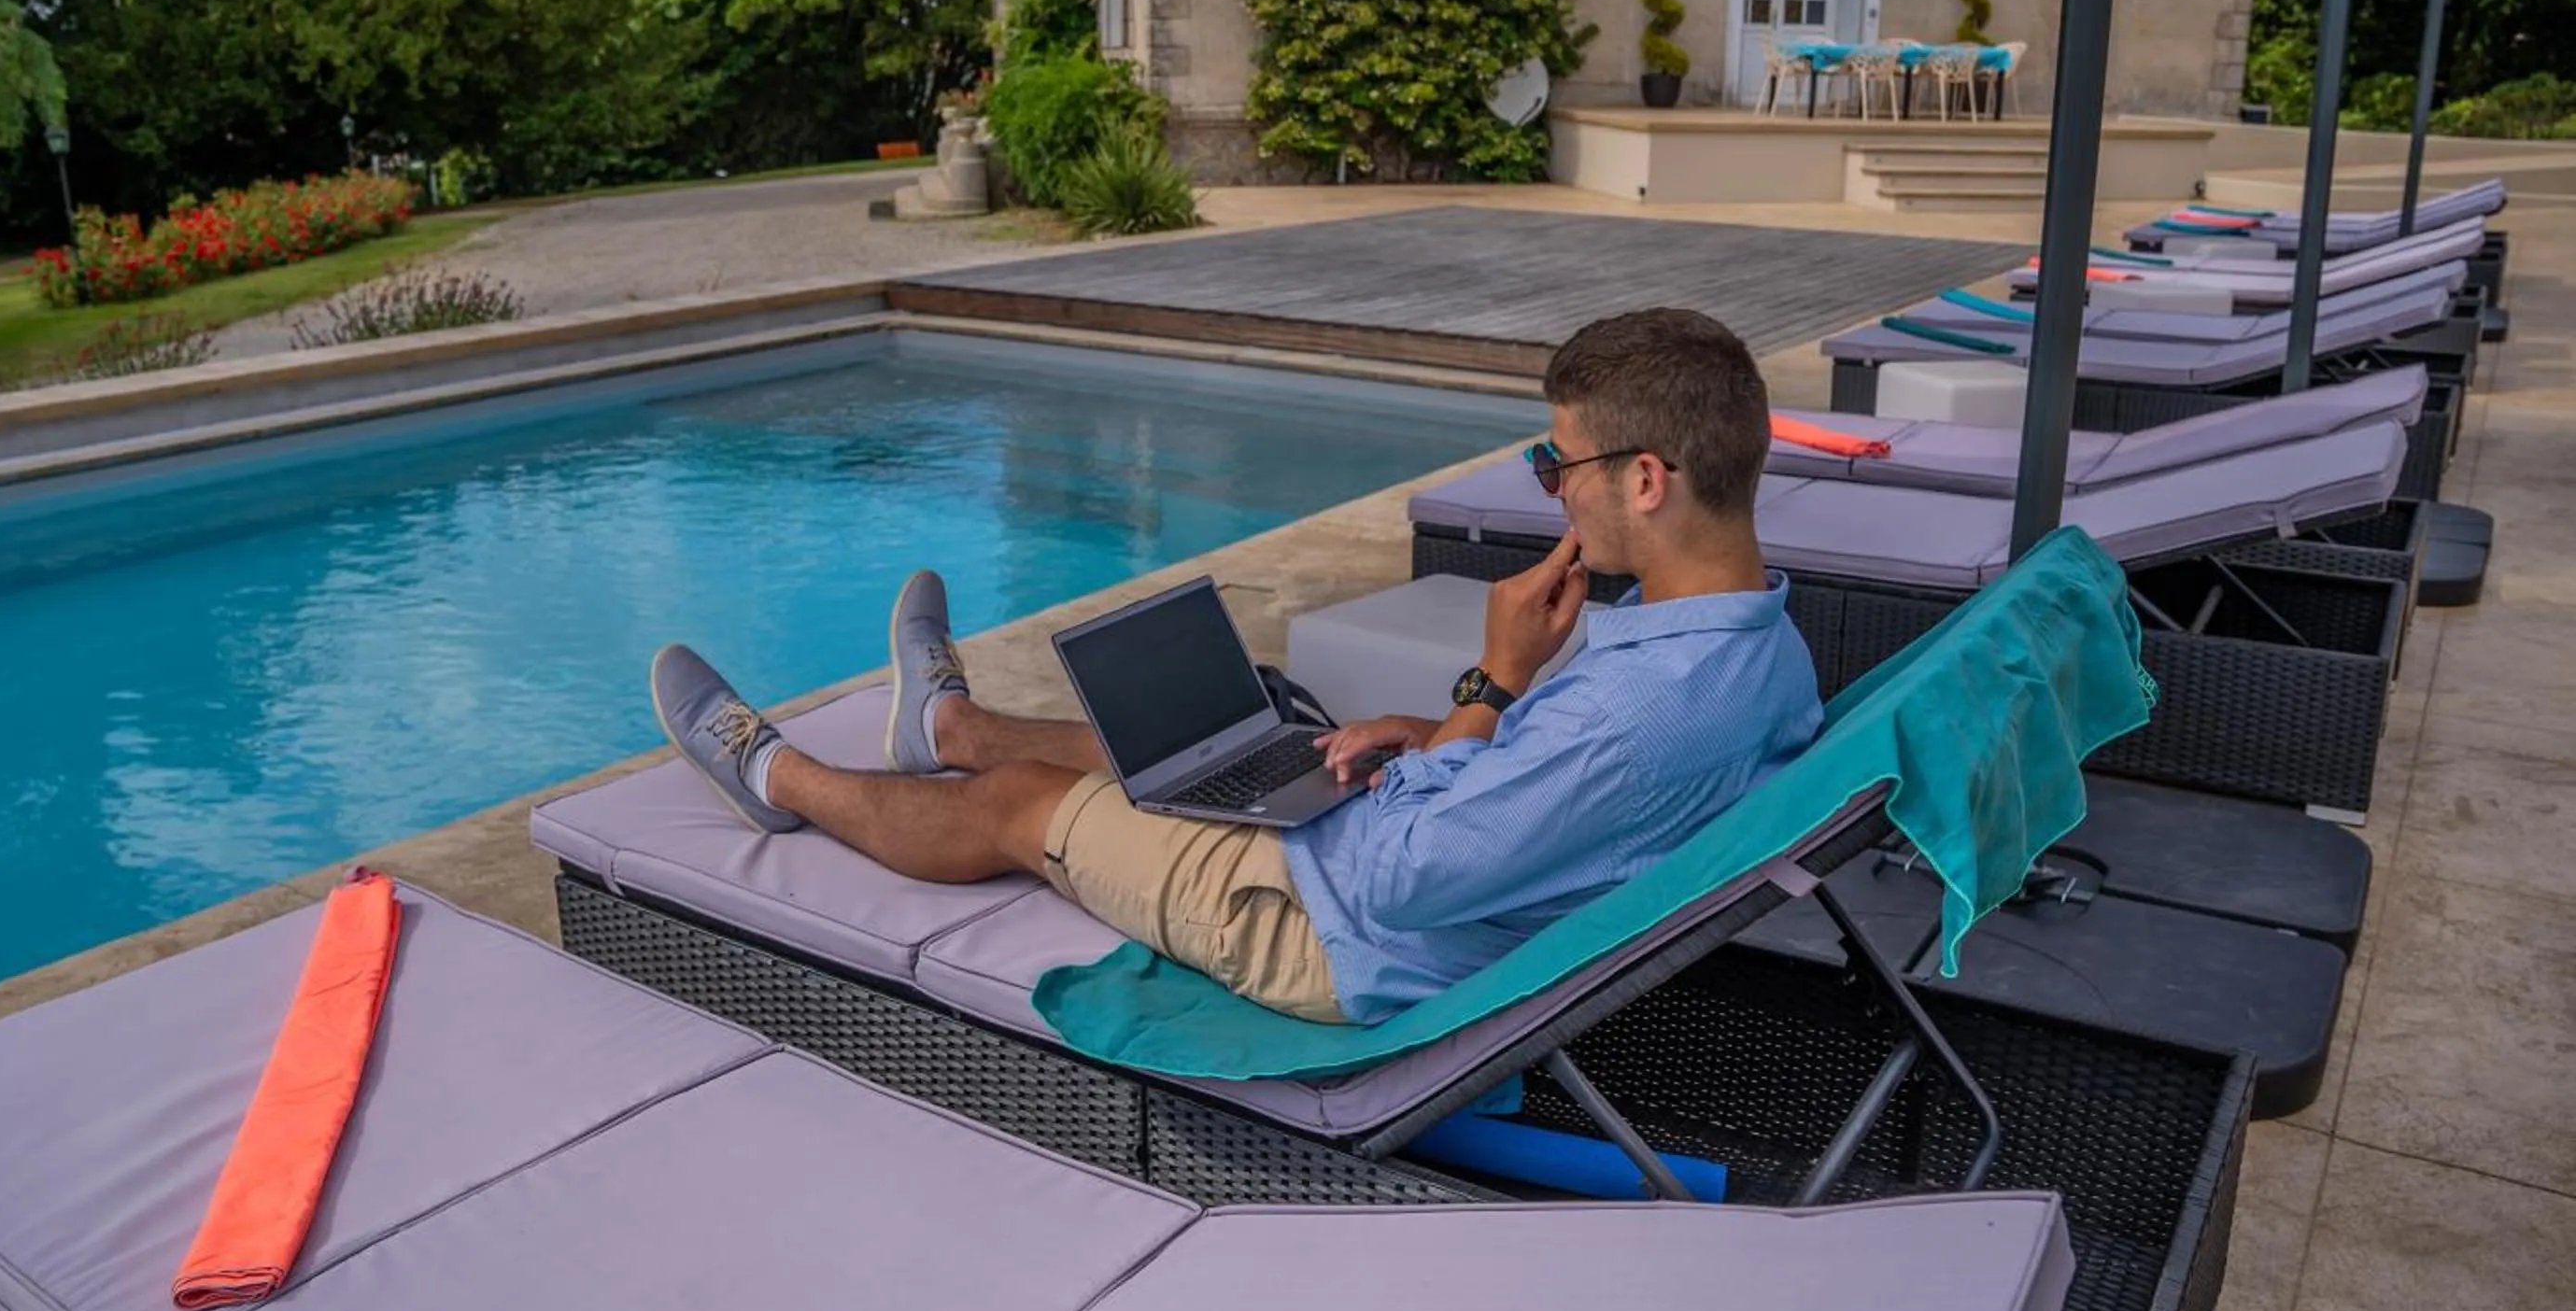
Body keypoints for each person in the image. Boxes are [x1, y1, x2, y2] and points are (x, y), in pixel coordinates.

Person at [650, 307, 1822, 1026]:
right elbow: (1573, 799)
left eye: (1556, 463)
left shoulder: (1635, 711)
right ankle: (946, 727)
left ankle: (776, 778)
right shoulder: (1758, 645)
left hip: (1336, 927)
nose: (1552, 489)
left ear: (1646, 479)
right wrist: (1444, 734)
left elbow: (1404, 881)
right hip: (1426, 859)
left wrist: (1491, 686)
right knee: (1206, 744)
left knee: (1019, 805)